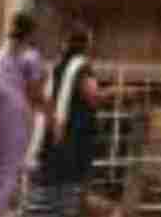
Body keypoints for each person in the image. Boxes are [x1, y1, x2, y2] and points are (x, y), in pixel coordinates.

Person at [32, 25, 113, 217]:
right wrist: (119, 91)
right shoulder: (81, 67)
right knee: (71, 191)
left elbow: (44, 98)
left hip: (54, 134)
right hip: (75, 137)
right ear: (87, 45)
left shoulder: (58, 66)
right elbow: (93, 96)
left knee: (58, 190)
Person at [0, 12, 47, 217]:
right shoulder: (31, 57)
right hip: (18, 118)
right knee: (9, 172)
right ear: (31, 32)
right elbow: (34, 92)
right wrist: (49, 112)